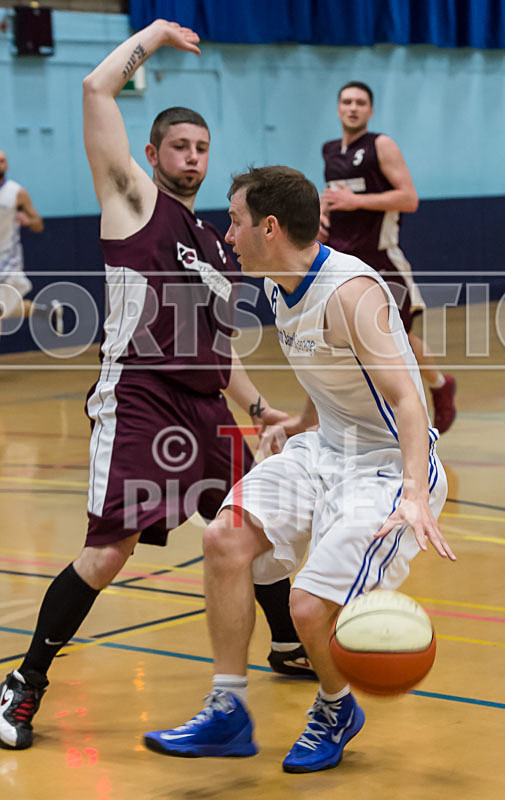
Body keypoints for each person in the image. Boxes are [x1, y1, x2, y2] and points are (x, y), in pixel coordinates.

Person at [0, 21, 313, 752]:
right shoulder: (134, 203)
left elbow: (219, 348)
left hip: (203, 408)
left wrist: (262, 408)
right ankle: (21, 685)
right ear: (151, 154)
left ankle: (284, 645)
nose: (193, 158)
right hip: (140, 397)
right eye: (180, 146)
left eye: (202, 149)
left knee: (249, 525)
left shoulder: (215, 244)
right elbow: (94, 87)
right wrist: (153, 36)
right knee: (110, 553)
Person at [143, 165, 456, 772]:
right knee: (224, 538)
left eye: (234, 221)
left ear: (269, 226)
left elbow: (408, 398)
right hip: (324, 449)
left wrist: (413, 493)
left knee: (311, 609)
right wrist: (300, 423)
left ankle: (337, 707)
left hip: (385, 468)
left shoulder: (352, 293)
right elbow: (332, 368)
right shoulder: (273, 281)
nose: (227, 236)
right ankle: (228, 710)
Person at [320, 81, 456, 434]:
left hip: (381, 258)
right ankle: (345, 419)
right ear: (338, 108)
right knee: (343, 339)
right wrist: (322, 212)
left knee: (400, 338)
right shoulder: (330, 151)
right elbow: (337, 199)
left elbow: (409, 199)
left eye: (360, 102)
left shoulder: (381, 145)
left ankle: (438, 388)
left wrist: (357, 202)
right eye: (347, 102)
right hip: (341, 259)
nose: (352, 107)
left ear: (370, 110)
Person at [0, 150, 63, 334]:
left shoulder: (17, 193)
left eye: (3, 161)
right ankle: (46, 312)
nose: (0, 164)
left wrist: (29, 221)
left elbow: (38, 223)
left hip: (8, 259)